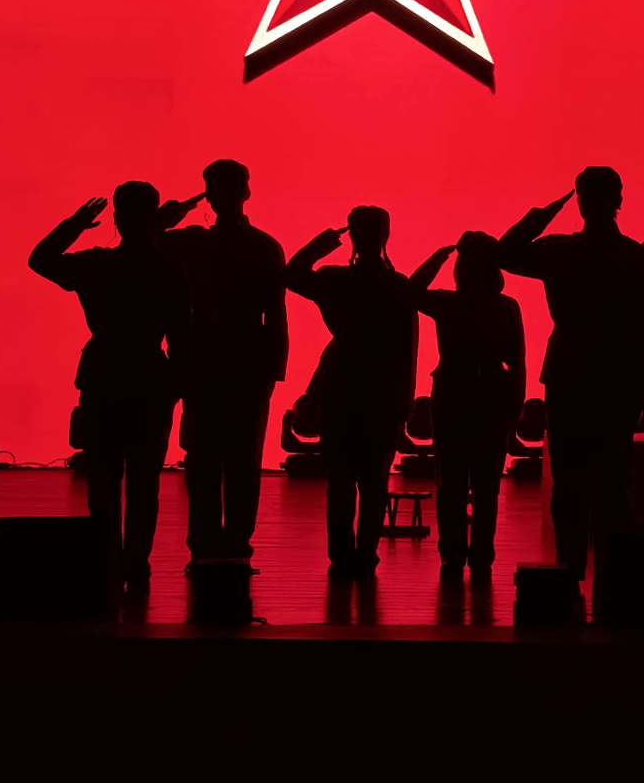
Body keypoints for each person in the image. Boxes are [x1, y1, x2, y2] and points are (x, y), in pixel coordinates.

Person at [500, 167, 644, 578]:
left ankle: (568, 568)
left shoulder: (559, 250)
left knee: (569, 481)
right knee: (611, 482)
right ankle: (612, 574)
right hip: (617, 380)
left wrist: (547, 211)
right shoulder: (636, 256)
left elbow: (504, 252)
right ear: (619, 201)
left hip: (569, 375)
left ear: (580, 202)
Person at [29, 181, 190, 593]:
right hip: (151, 377)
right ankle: (136, 565)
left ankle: (107, 561)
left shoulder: (96, 264)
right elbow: (182, 336)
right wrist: (177, 383)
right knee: (144, 481)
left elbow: (40, 260)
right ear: (152, 217)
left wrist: (75, 225)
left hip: (102, 375)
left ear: (116, 217)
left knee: (103, 480)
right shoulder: (170, 267)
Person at [163, 159, 288, 566]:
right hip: (206, 356)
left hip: (242, 358)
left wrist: (273, 370)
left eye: (229, 185)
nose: (224, 193)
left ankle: (233, 541)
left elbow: (276, 312)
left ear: (244, 191)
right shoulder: (196, 241)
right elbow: (146, 242)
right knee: (203, 457)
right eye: (217, 186)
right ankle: (207, 542)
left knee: (240, 458)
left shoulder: (260, 246)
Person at [286, 206, 418, 579]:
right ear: (386, 236)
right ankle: (364, 554)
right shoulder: (397, 285)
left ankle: (342, 555)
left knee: (342, 482)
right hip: (380, 389)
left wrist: (327, 241)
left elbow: (292, 274)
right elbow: (407, 349)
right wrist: (404, 402)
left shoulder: (334, 279)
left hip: (340, 383)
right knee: (373, 481)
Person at [411, 232, 526, 579]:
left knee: (468, 485)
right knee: (466, 485)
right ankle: (470, 557)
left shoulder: (452, 303)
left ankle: (464, 557)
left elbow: (412, 292)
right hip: (474, 395)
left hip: (465, 395)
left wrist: (438, 257)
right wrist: (515, 404)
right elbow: (517, 362)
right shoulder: (501, 306)